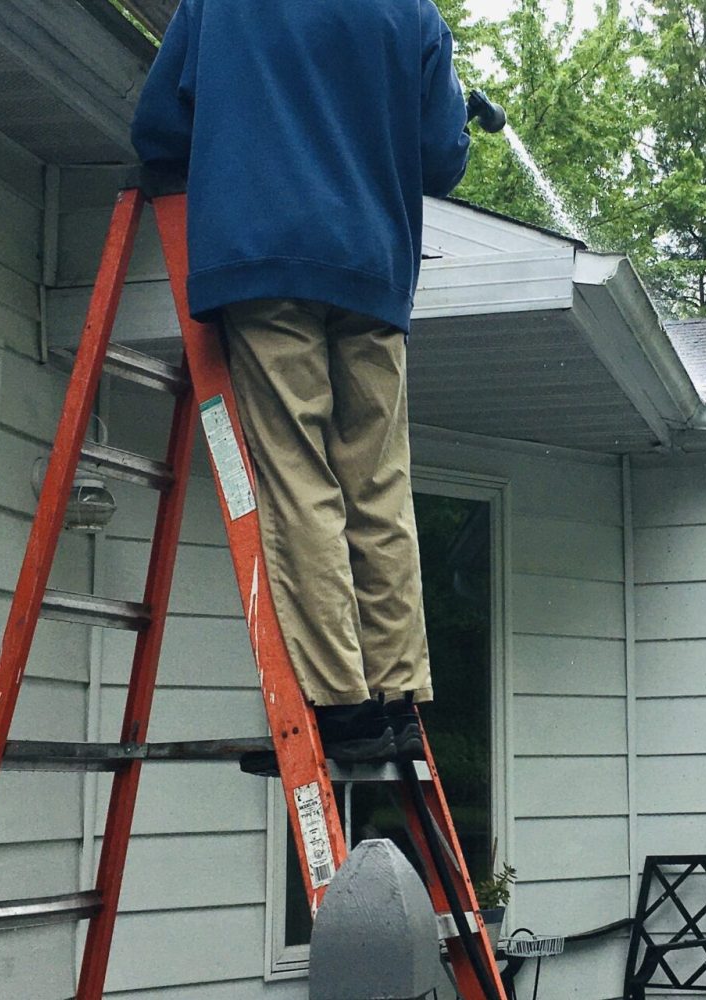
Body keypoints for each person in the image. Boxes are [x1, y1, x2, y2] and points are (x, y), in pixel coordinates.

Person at [130, 0, 472, 762]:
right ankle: (399, 697)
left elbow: (159, 128)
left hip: (266, 258)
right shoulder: (412, 13)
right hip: (375, 276)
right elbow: (443, 158)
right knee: (378, 487)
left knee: (298, 475)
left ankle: (341, 706)